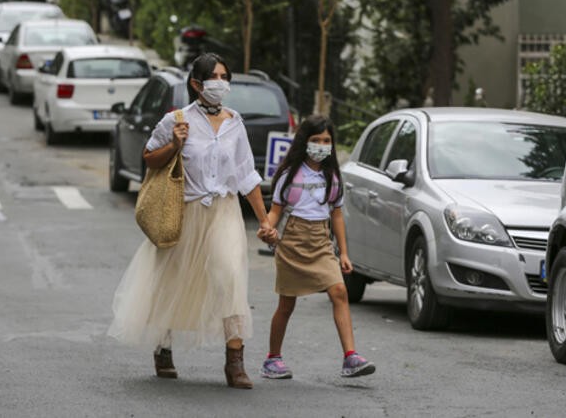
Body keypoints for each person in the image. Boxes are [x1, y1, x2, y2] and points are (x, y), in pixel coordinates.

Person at [108, 52, 276, 390]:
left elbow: (246, 174)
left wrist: (265, 221)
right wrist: (175, 143)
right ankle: (164, 347)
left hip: (224, 212)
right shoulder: (177, 119)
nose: (221, 83)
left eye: (225, 76)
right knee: (173, 279)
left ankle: (235, 360)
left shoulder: (234, 122)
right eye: (214, 76)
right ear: (197, 83)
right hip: (184, 212)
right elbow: (149, 158)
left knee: (230, 276)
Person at [256, 115, 375, 379]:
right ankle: (272, 358)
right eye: (316, 140)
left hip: (322, 241)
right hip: (292, 242)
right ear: (304, 141)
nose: (321, 145)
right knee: (286, 304)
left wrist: (343, 252)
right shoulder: (289, 175)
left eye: (326, 141)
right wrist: (267, 228)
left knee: (339, 291)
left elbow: (337, 215)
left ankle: (350, 357)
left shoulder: (332, 176)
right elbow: (275, 212)